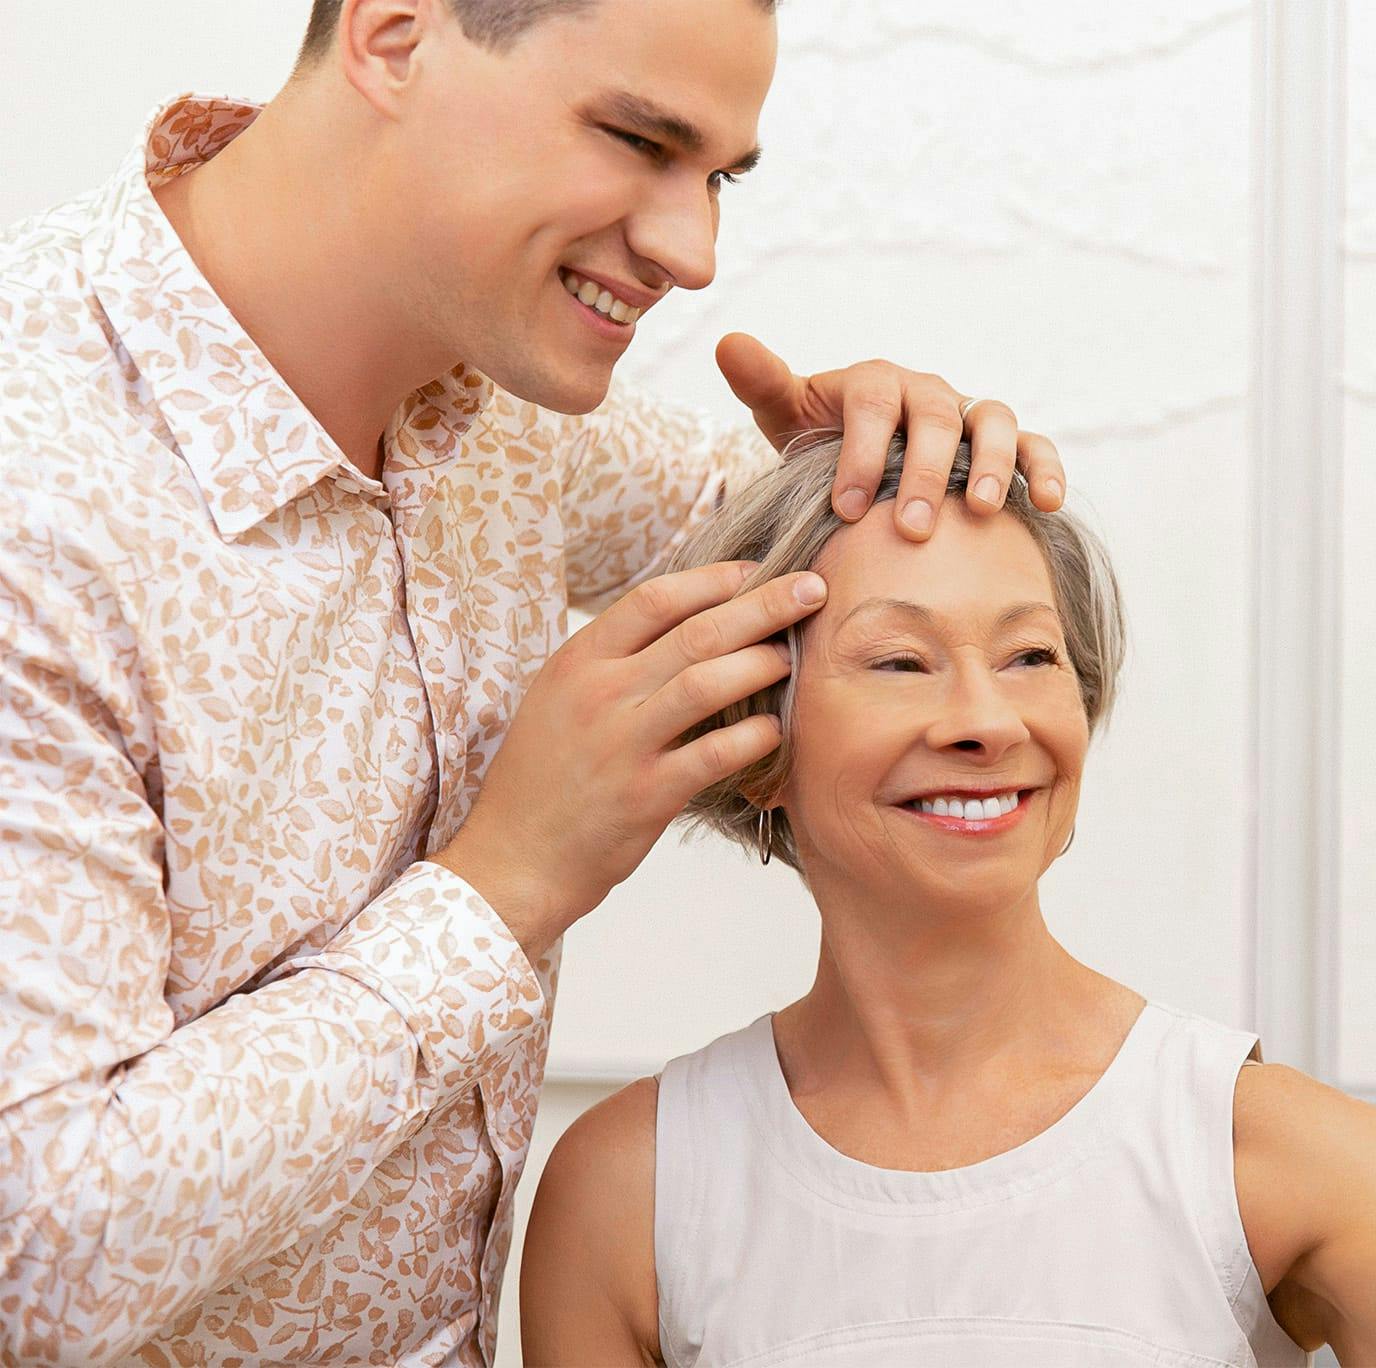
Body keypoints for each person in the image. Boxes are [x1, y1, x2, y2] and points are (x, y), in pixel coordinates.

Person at [0, 1, 1059, 1362]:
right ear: (392, 36)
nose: (694, 251)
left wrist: (871, 471)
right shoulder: (39, 503)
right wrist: (508, 883)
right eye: (636, 138)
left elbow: (802, 550)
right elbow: (36, 1262)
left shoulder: (494, 408)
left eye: (719, 176)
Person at [519, 439, 1376, 1367]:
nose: (989, 720)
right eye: (900, 663)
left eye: (1032, 657)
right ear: (758, 736)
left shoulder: (1264, 1155)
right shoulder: (629, 1196)